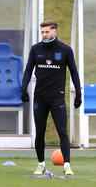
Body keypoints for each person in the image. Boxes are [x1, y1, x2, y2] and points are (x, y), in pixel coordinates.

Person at [21, 20, 81, 176]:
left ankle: (67, 165)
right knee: (39, 132)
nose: (44, 35)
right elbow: (28, 70)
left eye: (46, 32)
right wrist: (23, 88)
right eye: (42, 32)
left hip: (57, 97)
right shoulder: (35, 49)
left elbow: (73, 71)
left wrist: (78, 92)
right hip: (40, 97)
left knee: (62, 131)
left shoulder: (66, 50)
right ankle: (41, 164)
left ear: (54, 31)